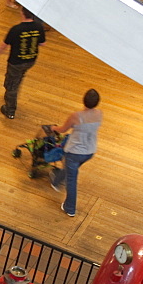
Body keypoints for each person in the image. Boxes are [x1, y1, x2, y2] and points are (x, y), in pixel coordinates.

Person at [50, 89, 101, 217]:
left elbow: (62, 129)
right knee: (70, 168)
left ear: (84, 100)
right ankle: (56, 182)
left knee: (71, 180)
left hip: (75, 152)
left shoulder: (76, 116)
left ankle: (70, 208)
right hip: (90, 151)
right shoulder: (99, 114)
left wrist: (53, 128)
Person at [0, 7, 46, 119]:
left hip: (16, 62)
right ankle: (14, 86)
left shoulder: (16, 29)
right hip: (31, 60)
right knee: (17, 78)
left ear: (22, 13)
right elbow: (42, 43)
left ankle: (10, 110)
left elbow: (4, 45)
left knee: (11, 85)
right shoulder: (39, 27)